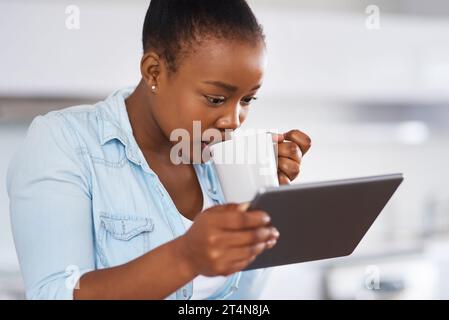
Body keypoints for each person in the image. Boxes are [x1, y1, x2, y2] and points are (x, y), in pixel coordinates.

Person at [7, 0, 311, 300]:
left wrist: (261, 198)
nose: (233, 121)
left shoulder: (224, 161)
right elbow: (53, 294)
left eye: (247, 100)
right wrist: (184, 257)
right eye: (216, 99)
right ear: (154, 72)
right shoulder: (63, 143)